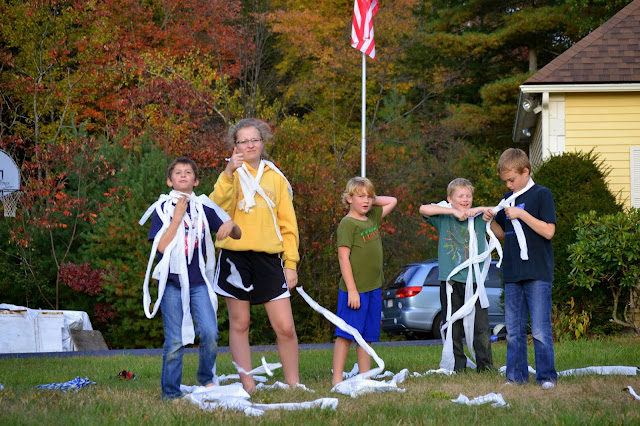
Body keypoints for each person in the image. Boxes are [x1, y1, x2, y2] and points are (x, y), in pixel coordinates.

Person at [210, 118, 300, 393]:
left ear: (263, 142)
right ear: (235, 146)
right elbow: (214, 210)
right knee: (240, 323)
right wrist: (228, 173)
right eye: (243, 141)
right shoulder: (230, 175)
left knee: (285, 326)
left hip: (269, 258)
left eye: (254, 140)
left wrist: (291, 263)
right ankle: (248, 385)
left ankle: (294, 384)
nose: (250, 145)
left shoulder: (276, 177)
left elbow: (288, 225)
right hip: (235, 257)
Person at [146, 157, 241, 400]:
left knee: (210, 333)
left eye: (188, 172)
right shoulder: (162, 209)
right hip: (171, 282)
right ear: (170, 181)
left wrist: (231, 225)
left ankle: (206, 377)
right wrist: (177, 217)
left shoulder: (203, 207)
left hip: (199, 283)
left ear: (196, 181)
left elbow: (237, 234)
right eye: (177, 172)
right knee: (174, 341)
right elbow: (161, 247)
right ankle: (170, 393)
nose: (183, 175)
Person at [483, 148, 557, 389]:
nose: (509, 185)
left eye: (512, 180)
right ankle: (516, 377)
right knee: (514, 331)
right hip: (513, 273)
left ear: (526, 171)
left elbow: (549, 231)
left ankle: (546, 377)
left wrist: (522, 214)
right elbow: (503, 235)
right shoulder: (507, 199)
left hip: (537, 272)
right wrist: (490, 222)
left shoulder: (542, 194)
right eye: (505, 181)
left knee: (540, 330)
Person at [419, 178, 495, 373]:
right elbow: (423, 209)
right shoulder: (443, 218)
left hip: (475, 281)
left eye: (468, 196)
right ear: (449, 199)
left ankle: (485, 366)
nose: (465, 199)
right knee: (453, 326)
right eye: (460, 196)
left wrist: (479, 210)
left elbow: (494, 210)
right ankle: (457, 366)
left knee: (481, 327)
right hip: (450, 282)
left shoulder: (478, 218)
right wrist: (453, 212)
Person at [332, 177, 397, 385]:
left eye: (369, 197)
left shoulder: (371, 218)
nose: (367, 201)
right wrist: (352, 290)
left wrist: (370, 198)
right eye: (361, 197)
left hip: (373, 288)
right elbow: (343, 258)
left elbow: (392, 201)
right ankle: (336, 379)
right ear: (349, 199)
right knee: (346, 334)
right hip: (354, 290)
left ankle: (365, 377)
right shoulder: (347, 223)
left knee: (366, 336)